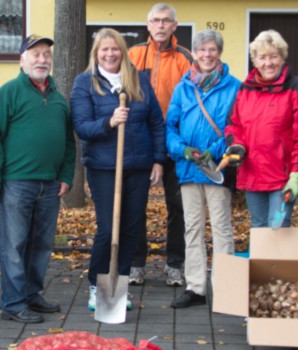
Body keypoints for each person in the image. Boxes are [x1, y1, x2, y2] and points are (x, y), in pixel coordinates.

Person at [0, 35, 75, 324]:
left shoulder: (58, 98)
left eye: (46, 54)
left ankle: (32, 293)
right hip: (17, 183)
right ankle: (13, 302)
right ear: (22, 60)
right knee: (15, 243)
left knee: (42, 244)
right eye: (35, 54)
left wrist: (66, 176)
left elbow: (69, 143)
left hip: (50, 184)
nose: (42, 59)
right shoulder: (9, 93)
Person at [70, 28, 165, 312]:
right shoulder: (84, 83)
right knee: (108, 229)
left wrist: (158, 159)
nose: (110, 54)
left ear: (122, 52)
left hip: (138, 166)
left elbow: (156, 123)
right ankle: (96, 286)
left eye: (115, 49)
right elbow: (82, 127)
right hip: (104, 167)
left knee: (131, 228)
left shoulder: (138, 80)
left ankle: (118, 285)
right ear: (96, 53)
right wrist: (109, 122)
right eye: (104, 50)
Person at [165, 29, 241, 308]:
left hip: (217, 168)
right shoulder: (183, 88)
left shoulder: (235, 86)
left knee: (221, 228)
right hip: (187, 169)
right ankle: (196, 287)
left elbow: (238, 127)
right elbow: (170, 126)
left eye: (212, 49)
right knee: (192, 228)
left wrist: (218, 149)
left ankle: (225, 288)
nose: (207, 55)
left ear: (219, 52)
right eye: (202, 50)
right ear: (194, 53)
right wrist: (181, 150)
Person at [128, 2, 192, 286]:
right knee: (136, 204)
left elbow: (192, 103)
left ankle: (175, 263)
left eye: (167, 21)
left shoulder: (185, 58)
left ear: (175, 26)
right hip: (141, 143)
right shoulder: (134, 55)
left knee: (177, 205)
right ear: (148, 24)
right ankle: (136, 263)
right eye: (157, 20)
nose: (161, 25)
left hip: (175, 144)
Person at [224, 29, 298, 228]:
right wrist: (237, 146)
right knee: (259, 229)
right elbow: (233, 125)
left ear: (282, 57)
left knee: (278, 228)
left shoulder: (297, 87)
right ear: (255, 61)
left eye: (274, 56)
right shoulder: (245, 89)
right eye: (262, 57)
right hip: (252, 175)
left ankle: (278, 261)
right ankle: (262, 261)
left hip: (283, 178)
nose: (268, 63)